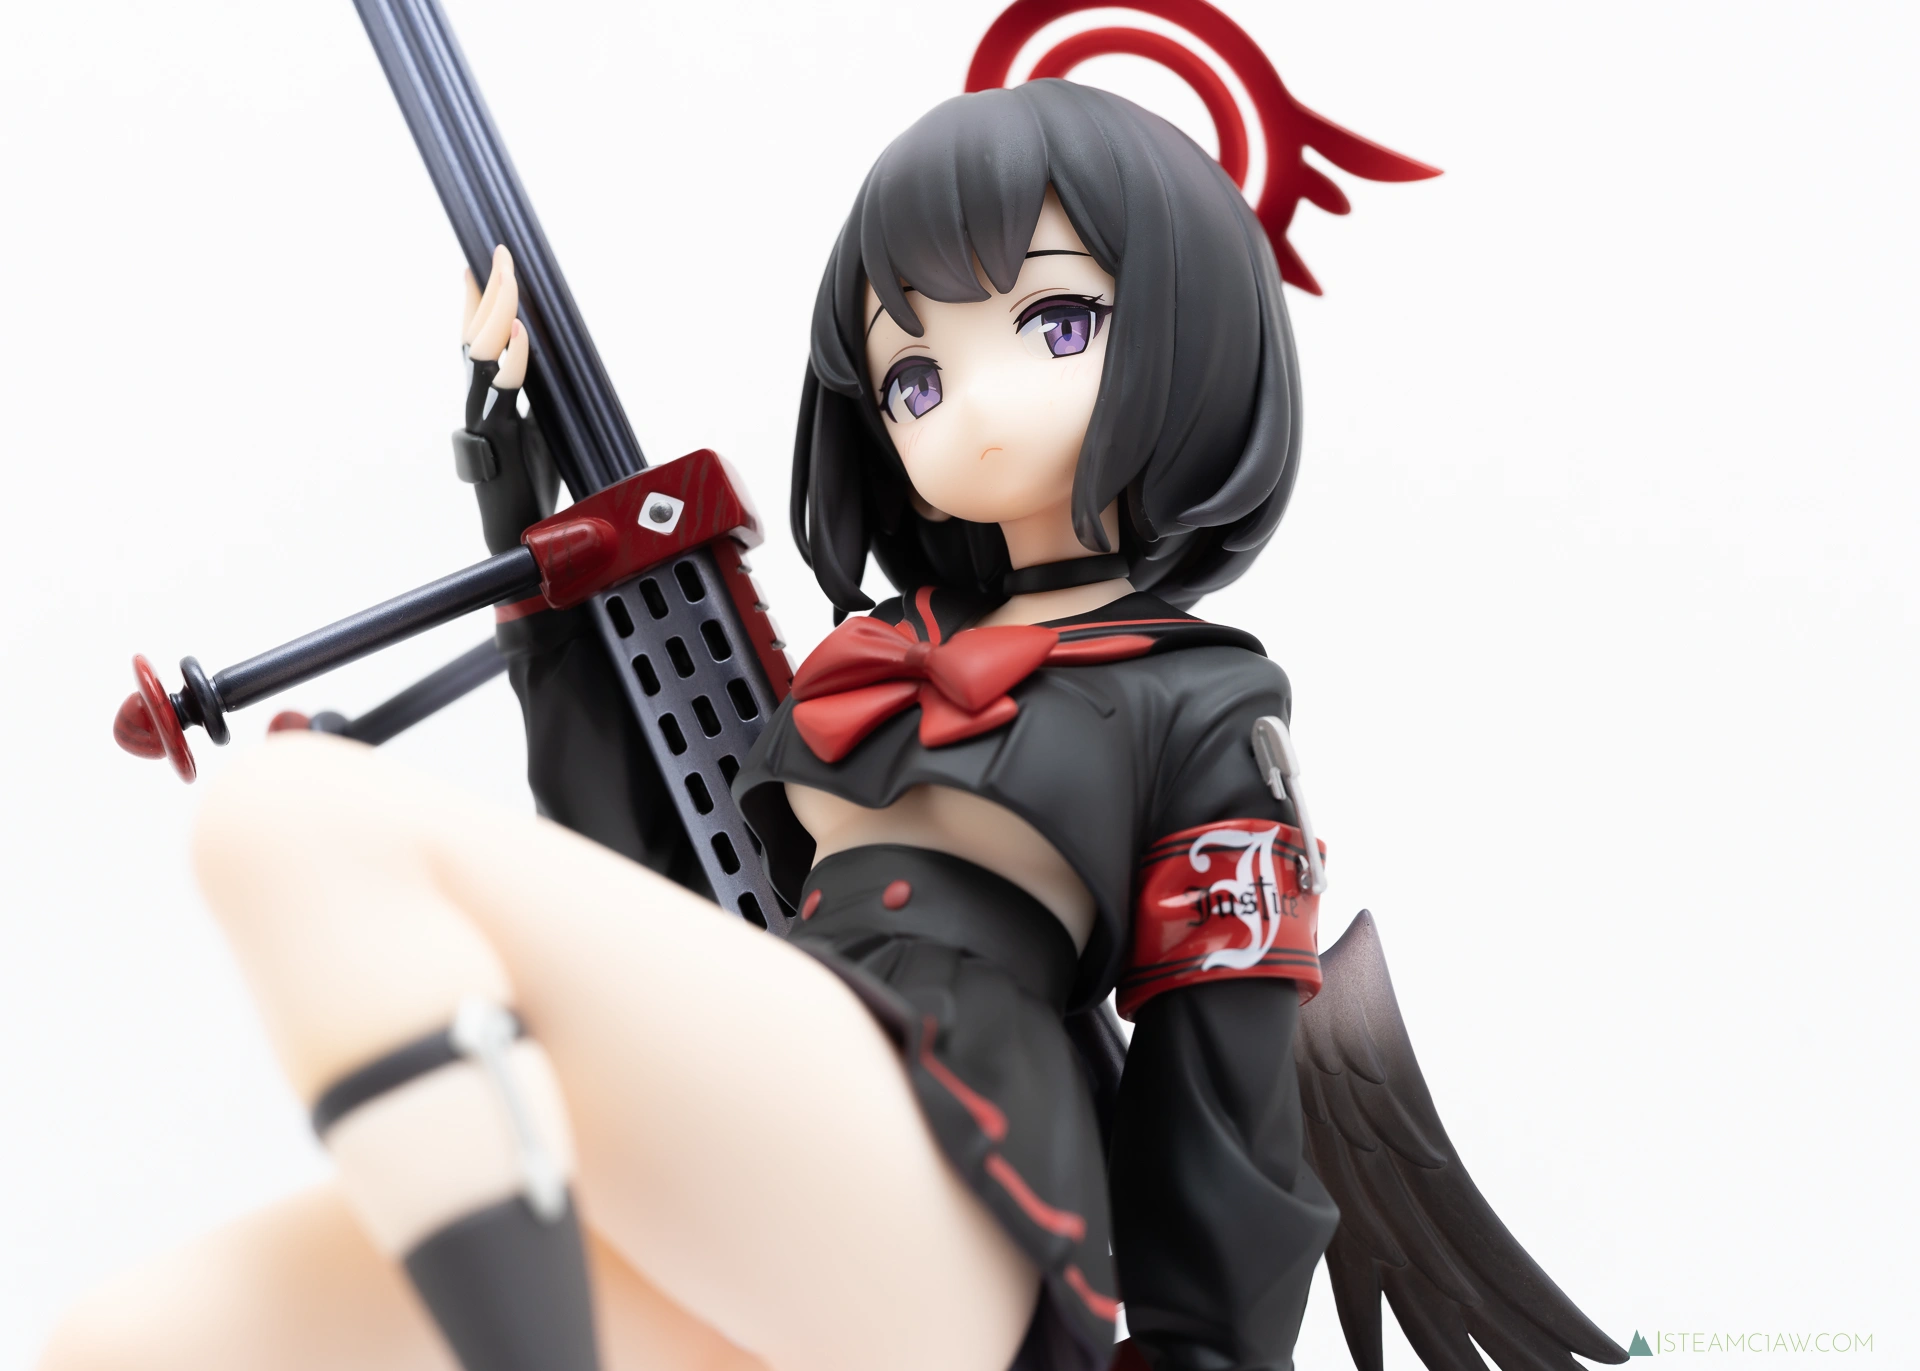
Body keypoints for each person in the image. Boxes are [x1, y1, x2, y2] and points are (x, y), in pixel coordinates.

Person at [40, 79, 1336, 1371]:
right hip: (784, 1129)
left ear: (1183, 331)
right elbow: (666, 880)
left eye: (1057, 324)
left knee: (288, 815)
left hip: (955, 1177)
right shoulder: (876, 654)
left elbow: (1224, 1086)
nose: (976, 406)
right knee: (129, 1342)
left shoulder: (1206, 703)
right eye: (916, 377)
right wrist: (519, 513)